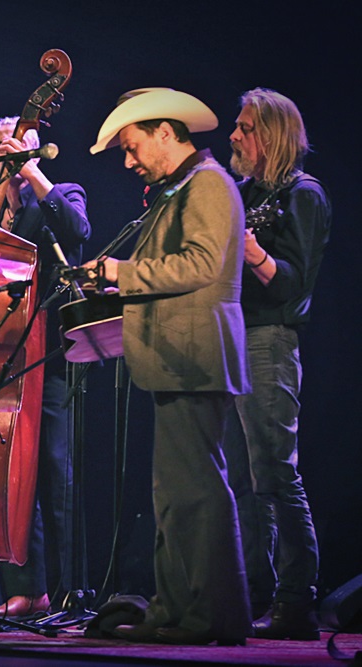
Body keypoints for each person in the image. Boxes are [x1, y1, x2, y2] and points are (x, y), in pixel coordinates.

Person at [86, 88, 252, 645]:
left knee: (196, 493)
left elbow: (201, 263)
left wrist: (119, 273)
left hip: (194, 357)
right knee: (176, 495)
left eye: (133, 147)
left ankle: (209, 618)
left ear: (165, 132)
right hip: (179, 359)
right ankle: (177, 611)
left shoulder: (206, 184)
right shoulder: (180, 188)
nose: (129, 162)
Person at [0, 117, 90, 617]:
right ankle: (26, 589)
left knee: (53, 476)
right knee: (6, 478)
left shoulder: (63, 191)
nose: (10, 160)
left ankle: (67, 590)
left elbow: (78, 230)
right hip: (4, 359)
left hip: (50, 358)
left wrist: (30, 175)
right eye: (1, 152)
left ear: (35, 152)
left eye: (17, 151)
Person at [223, 88, 330, 640]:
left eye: (244, 128)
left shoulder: (302, 196)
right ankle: (254, 594)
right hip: (234, 338)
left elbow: (293, 283)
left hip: (269, 340)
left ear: (271, 135)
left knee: (275, 474)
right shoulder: (246, 193)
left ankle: (297, 603)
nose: (234, 137)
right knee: (242, 478)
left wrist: (251, 251)